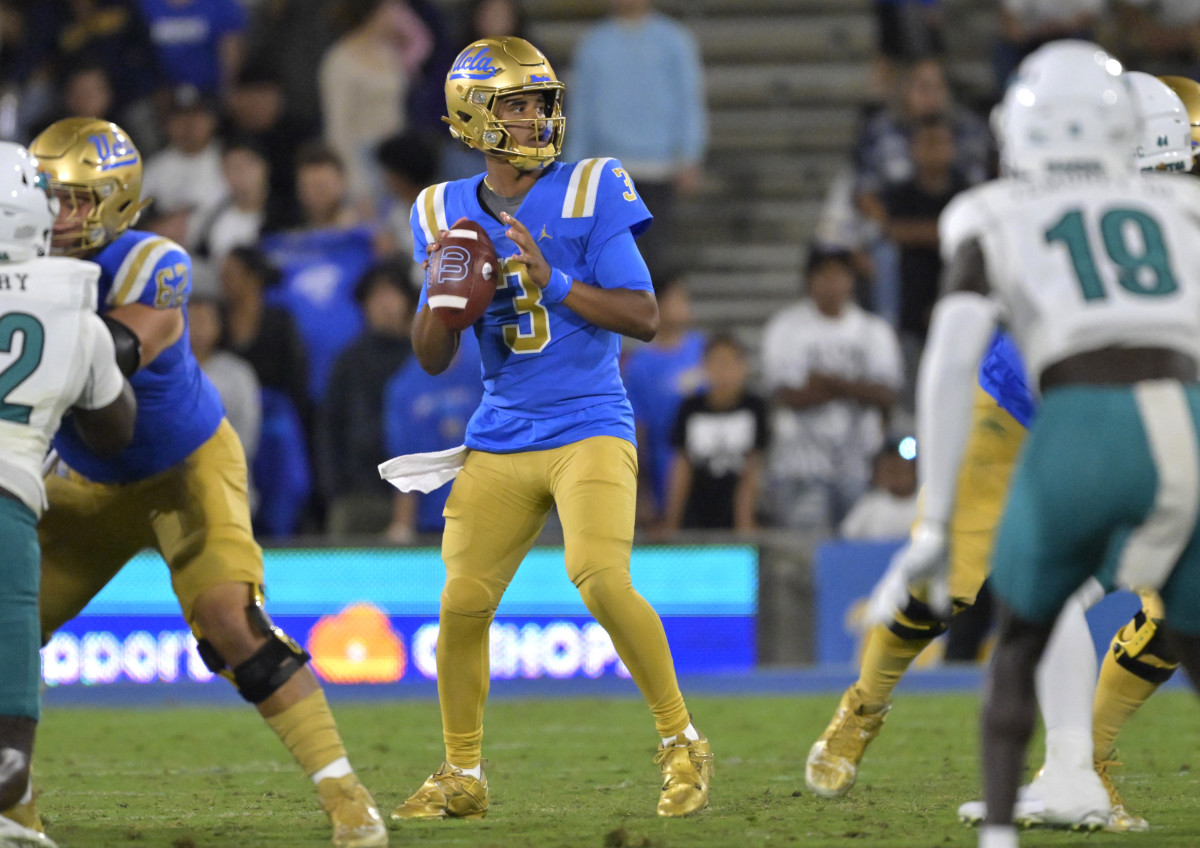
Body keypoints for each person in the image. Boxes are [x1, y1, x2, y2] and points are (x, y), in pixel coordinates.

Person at [806, 65, 1200, 834]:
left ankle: (1080, 768)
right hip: (1023, 407)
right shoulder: (1159, 211)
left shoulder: (1008, 208)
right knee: (949, 594)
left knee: (1095, 609)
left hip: (1095, 408)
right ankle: (865, 705)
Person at [23, 118, 387, 848]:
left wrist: (27, 307)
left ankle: (346, 795)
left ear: (117, 201)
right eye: (48, 199)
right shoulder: (20, 266)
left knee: (233, 626)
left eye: (78, 201)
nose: (60, 217)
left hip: (186, 467)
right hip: (88, 482)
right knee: (3, 629)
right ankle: (14, 804)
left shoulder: (151, 259)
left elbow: (114, 354)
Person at [386, 36, 712, 821]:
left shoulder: (592, 186)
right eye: (518, 106)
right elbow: (432, 359)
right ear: (475, 118)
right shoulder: (439, 209)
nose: (537, 118)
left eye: (541, 103)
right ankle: (462, 773)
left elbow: (643, 315)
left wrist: (554, 281)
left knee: (600, 579)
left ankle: (682, 742)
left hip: (589, 421)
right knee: (461, 603)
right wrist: (445, 292)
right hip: (501, 431)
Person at [0, 141, 137, 848]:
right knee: (11, 657)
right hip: (7, 499)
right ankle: (6, 798)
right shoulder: (71, 311)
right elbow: (116, 431)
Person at [761, 245, 903, 536]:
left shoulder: (873, 330)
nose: (832, 283)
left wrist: (829, 382)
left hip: (860, 464)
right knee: (805, 558)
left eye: (840, 275)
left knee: (857, 553)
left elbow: (887, 395)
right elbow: (788, 396)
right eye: (823, 275)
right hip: (800, 465)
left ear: (851, 280)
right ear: (809, 280)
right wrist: (855, 386)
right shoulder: (786, 328)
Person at [566, 0, 707, 270]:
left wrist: (689, 155)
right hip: (609, 170)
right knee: (610, 257)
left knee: (655, 260)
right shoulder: (594, 44)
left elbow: (688, 100)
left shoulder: (674, 40)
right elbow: (581, 109)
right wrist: (574, 166)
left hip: (659, 168)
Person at [317, 260, 415, 536]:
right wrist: (336, 490)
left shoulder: (425, 358)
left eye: (392, 293)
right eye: (376, 295)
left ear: (407, 301)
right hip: (358, 494)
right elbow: (329, 428)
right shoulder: (347, 363)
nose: (385, 303)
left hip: (419, 496)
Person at [659, 333, 768, 535]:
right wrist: (671, 521)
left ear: (743, 366)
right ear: (704, 367)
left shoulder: (755, 407)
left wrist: (745, 522)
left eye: (729, 363)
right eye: (716, 363)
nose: (723, 371)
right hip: (696, 512)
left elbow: (754, 465)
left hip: (736, 513)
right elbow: (681, 466)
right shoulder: (690, 408)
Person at [620, 273, 706, 527]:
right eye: (677, 299)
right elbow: (638, 430)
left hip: (707, 465)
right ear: (657, 304)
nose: (684, 306)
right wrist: (641, 491)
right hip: (664, 469)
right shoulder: (640, 366)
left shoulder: (704, 350)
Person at [382, 330, 483, 545]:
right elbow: (406, 460)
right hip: (432, 523)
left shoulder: (486, 369)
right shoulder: (404, 388)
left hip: (490, 514)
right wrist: (403, 525)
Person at [838, 440, 918, 541]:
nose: (897, 476)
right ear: (877, 476)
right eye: (890, 472)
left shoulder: (926, 503)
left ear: (914, 472)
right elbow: (845, 539)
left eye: (902, 470)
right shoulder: (869, 505)